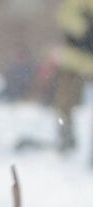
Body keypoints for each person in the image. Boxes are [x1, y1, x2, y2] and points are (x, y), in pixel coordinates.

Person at [55, 1, 93, 157]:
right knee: (64, 102)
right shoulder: (73, 3)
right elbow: (64, 17)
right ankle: (66, 135)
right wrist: (85, 29)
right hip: (74, 61)